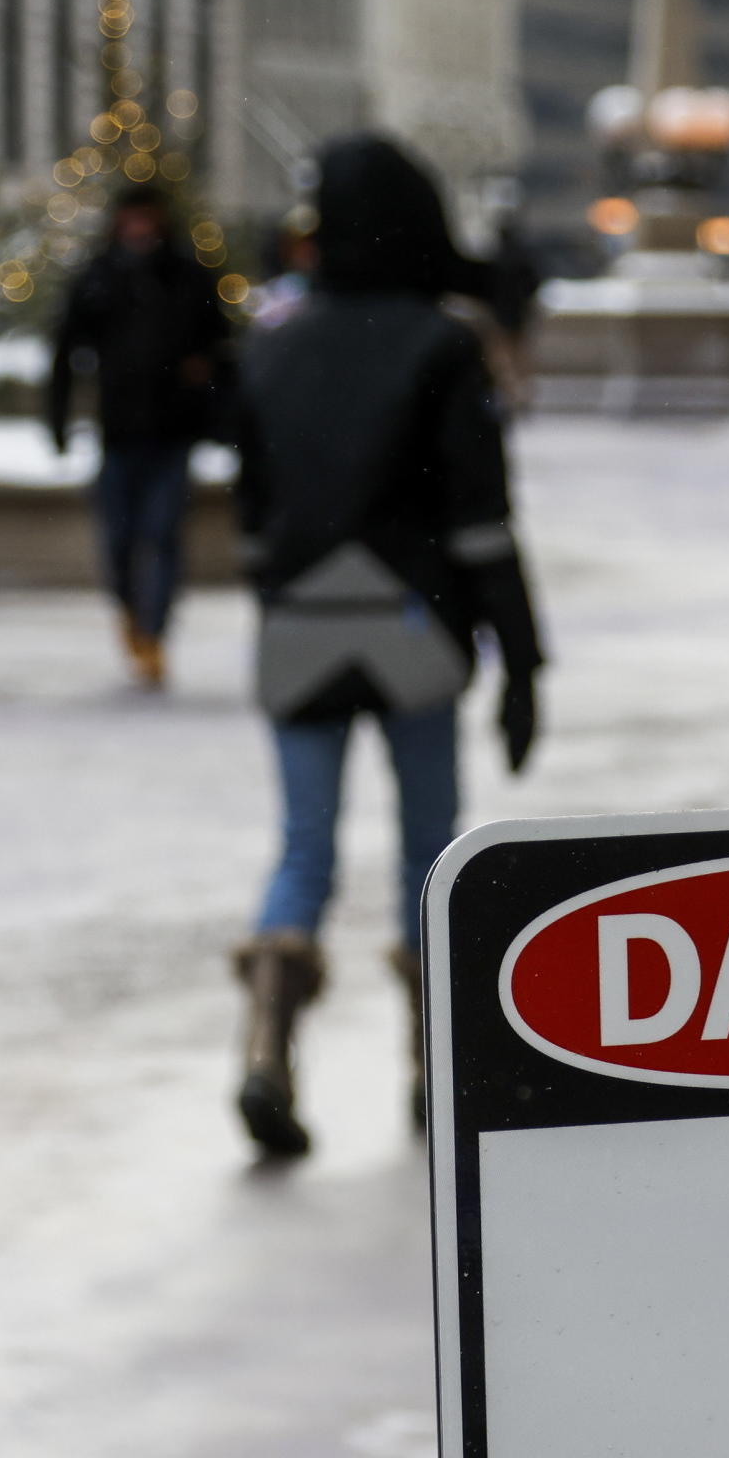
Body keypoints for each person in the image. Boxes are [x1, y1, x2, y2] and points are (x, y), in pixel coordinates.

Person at [227, 133, 545, 1158]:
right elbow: (480, 519)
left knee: (304, 847)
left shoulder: (271, 340)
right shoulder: (440, 343)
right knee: (430, 852)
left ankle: (266, 1047)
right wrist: (522, 660)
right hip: (412, 622)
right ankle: (430, 1067)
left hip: (298, 623)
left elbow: (251, 509)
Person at [46, 182, 233, 689]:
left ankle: (154, 631)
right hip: (120, 433)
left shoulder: (188, 278)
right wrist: (58, 421)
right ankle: (132, 612)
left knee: (163, 534)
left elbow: (220, 353)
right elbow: (66, 352)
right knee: (121, 538)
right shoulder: (99, 279)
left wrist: (217, 415)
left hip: (172, 434)